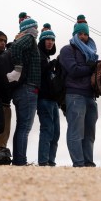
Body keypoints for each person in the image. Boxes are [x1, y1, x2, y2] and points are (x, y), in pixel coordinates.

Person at [60, 18, 98, 167]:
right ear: (75, 34)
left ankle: (88, 163)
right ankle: (78, 163)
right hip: (74, 95)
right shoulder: (67, 50)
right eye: (80, 33)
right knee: (76, 132)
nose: (83, 36)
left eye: (85, 34)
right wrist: (92, 68)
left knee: (89, 134)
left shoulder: (92, 52)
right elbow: (74, 70)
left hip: (90, 96)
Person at [8, 16, 41, 166]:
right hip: (28, 88)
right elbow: (16, 48)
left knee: (21, 126)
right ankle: (20, 161)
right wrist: (18, 69)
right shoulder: (29, 37)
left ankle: (19, 160)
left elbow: (15, 47)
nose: (37, 31)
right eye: (36, 28)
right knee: (24, 127)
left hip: (22, 89)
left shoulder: (25, 38)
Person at [36, 28, 60, 166]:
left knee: (55, 132)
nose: (50, 42)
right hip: (43, 99)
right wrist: (52, 64)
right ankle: (43, 161)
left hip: (53, 100)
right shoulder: (38, 55)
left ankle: (51, 161)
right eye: (47, 39)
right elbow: (40, 73)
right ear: (42, 41)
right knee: (47, 130)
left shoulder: (46, 57)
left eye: (52, 40)